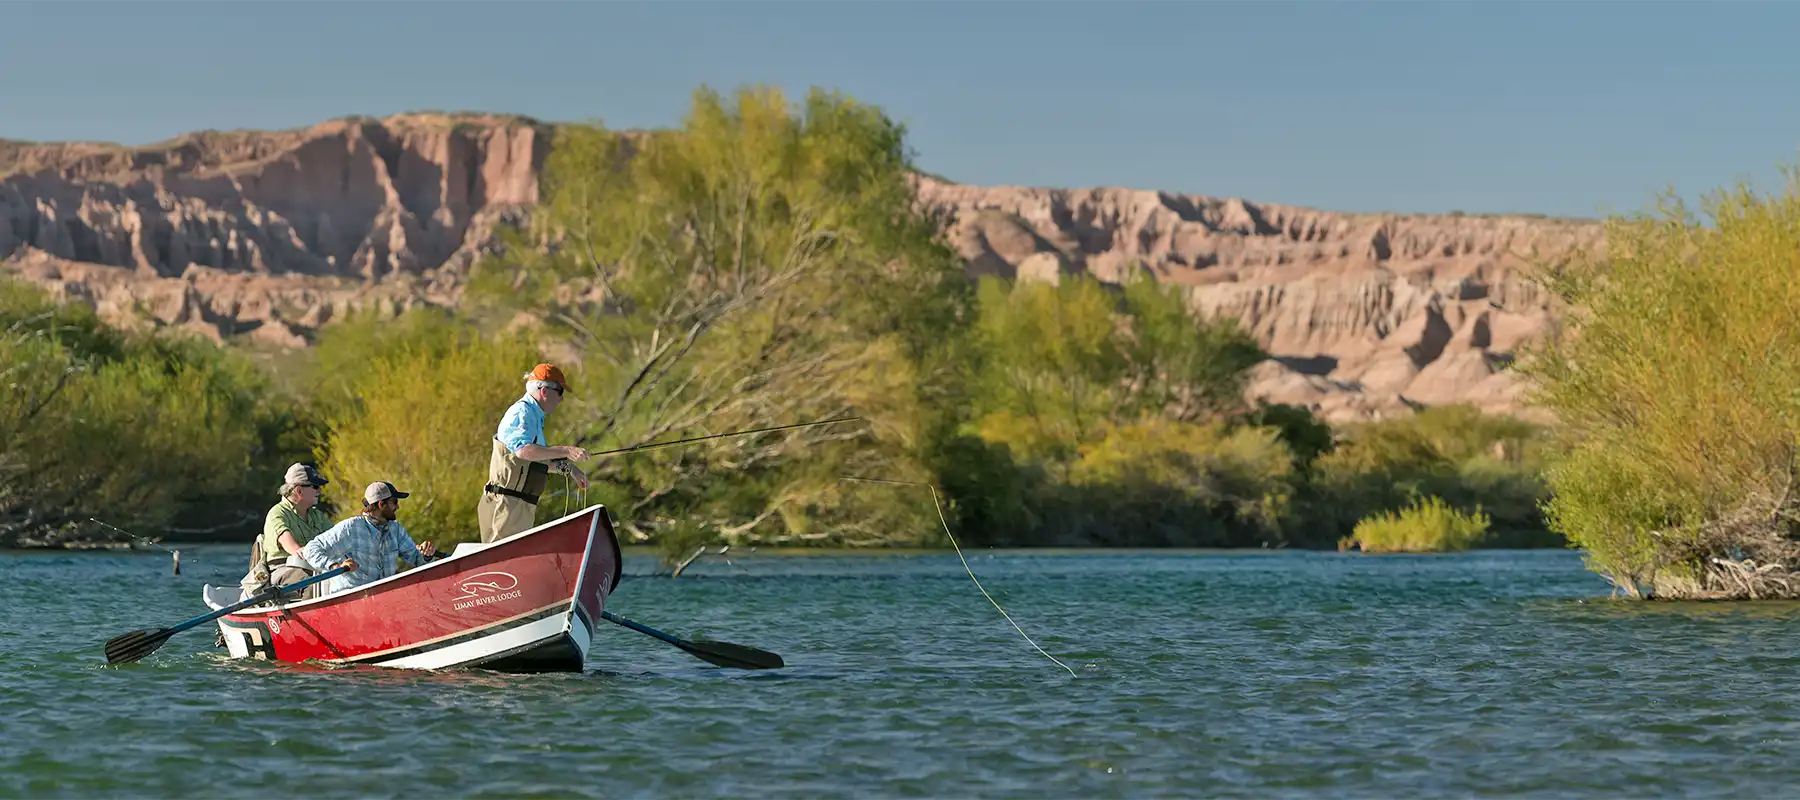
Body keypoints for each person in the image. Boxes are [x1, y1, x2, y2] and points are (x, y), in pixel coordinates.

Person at [478, 363, 590, 544]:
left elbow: (534, 463)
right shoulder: (522, 412)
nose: (561, 399)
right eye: (560, 392)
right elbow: (524, 451)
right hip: (505, 506)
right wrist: (567, 450)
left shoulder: (534, 416)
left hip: (518, 506)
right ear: (545, 391)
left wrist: (569, 469)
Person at [300, 481, 439, 597]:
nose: (398, 506)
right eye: (394, 502)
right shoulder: (351, 528)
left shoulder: (396, 529)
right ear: (381, 504)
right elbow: (311, 550)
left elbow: (417, 560)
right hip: (350, 602)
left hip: (384, 600)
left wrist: (426, 556)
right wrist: (335, 566)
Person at [241, 463, 334, 599]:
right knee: (314, 583)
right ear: (298, 490)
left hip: (313, 567)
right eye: (315, 486)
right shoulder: (277, 513)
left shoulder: (317, 515)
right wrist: (299, 550)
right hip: (281, 570)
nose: (319, 491)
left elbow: (337, 537)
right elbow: (288, 543)